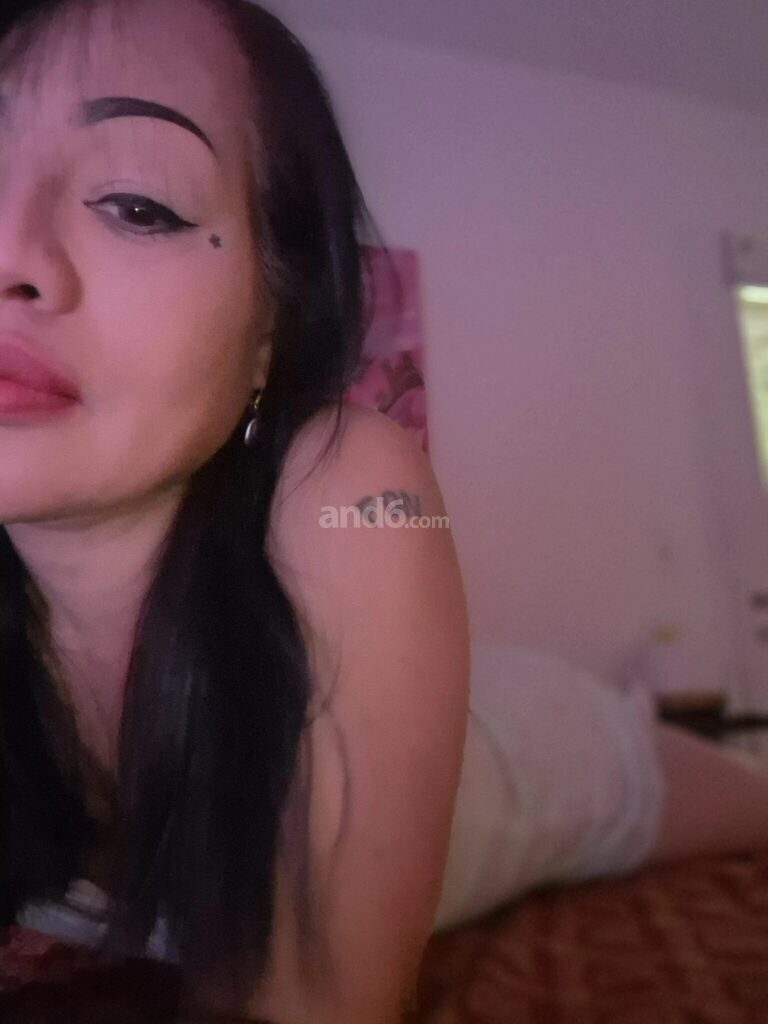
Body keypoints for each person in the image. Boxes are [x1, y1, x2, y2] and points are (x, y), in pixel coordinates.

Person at [2, 2, 768, 1022]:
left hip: (538, 748)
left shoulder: (356, 483)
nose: (10, 253)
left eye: (138, 203)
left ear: (271, 328)